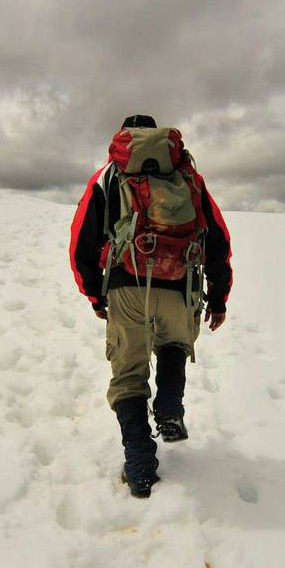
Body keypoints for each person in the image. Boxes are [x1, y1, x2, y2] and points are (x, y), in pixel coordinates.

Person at [69, 114, 233, 498]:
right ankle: (170, 405)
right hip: (180, 286)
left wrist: (95, 295)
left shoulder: (110, 176)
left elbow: (81, 243)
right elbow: (218, 239)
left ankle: (141, 466)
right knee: (174, 343)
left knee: (128, 374)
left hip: (127, 287)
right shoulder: (187, 177)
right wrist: (219, 298)